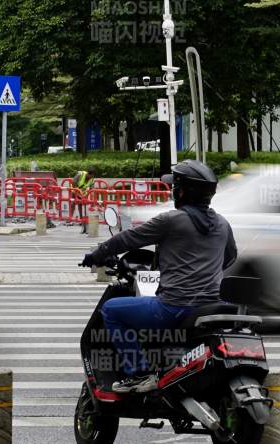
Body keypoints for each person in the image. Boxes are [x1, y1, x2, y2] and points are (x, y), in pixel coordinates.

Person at [82, 160, 236, 394]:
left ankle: (138, 373)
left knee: (112, 310)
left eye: (176, 186)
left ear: (182, 191)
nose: (173, 189)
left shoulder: (171, 220)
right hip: (211, 306)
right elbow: (230, 258)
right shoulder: (223, 224)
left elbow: (127, 239)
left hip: (174, 306)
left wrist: (96, 254)